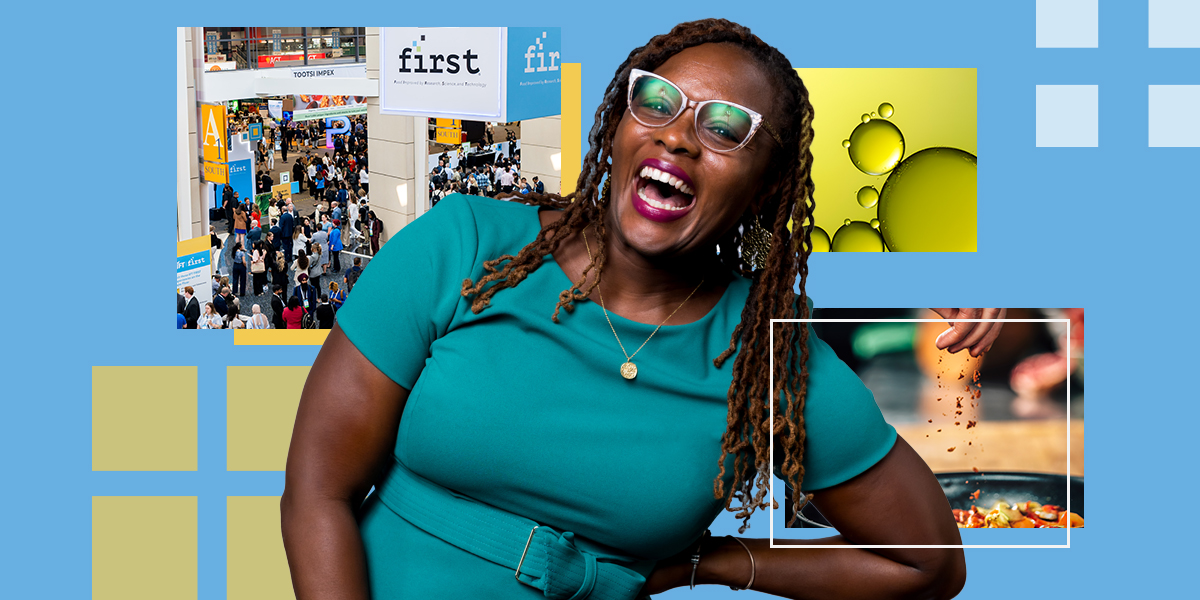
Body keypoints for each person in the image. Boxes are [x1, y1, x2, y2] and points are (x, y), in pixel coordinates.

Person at [283, 19, 998, 600]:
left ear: (766, 187)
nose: (677, 135)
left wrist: (715, 564)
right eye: (654, 101)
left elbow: (928, 564)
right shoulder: (465, 247)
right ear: (619, 127)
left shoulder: (768, 360)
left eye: (725, 128)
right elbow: (317, 491)